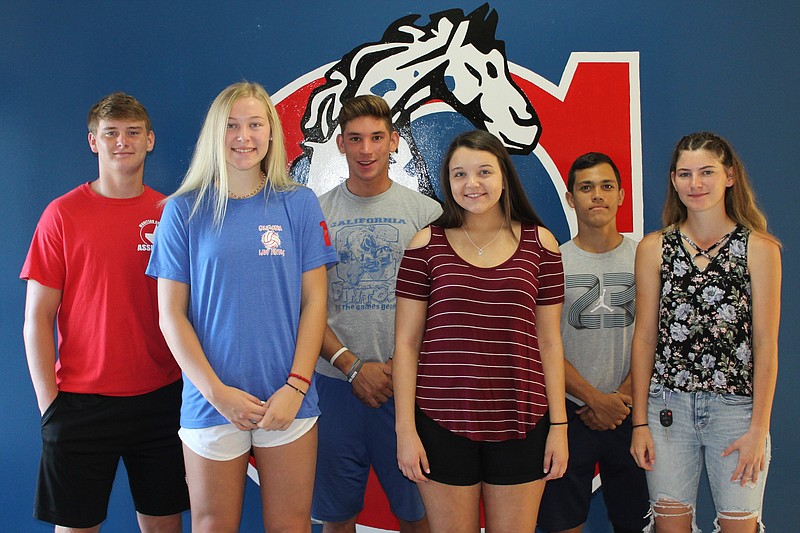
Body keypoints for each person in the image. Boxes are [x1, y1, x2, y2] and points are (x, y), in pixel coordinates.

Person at [146, 81, 338, 533]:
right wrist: (216, 392)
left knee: (291, 524)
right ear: (215, 133)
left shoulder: (299, 204)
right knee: (212, 524)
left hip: (288, 400)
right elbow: (171, 315)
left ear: (272, 133)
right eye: (232, 125)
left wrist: (295, 386)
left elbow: (314, 303)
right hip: (211, 401)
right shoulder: (182, 211)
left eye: (255, 124)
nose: (244, 137)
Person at [20, 92, 189, 532]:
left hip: (161, 397)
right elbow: (37, 318)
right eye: (110, 133)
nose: (122, 142)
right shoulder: (61, 215)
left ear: (150, 140)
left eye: (133, 132)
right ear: (93, 141)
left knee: (164, 525)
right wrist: (49, 408)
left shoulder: (171, 214)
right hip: (79, 402)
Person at [393, 129, 569, 532]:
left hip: (522, 419)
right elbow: (405, 344)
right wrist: (406, 430)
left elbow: (550, 341)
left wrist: (558, 427)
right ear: (447, 181)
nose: (472, 184)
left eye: (484, 172)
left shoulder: (542, 245)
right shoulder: (425, 246)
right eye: (459, 175)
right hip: (440, 421)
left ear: (504, 176)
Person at [630, 132, 781, 532]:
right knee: (669, 526)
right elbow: (645, 337)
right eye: (685, 174)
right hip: (666, 411)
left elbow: (766, 343)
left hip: (737, 413)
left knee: (739, 525)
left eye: (707, 172)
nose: (695, 184)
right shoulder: (653, 248)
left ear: (729, 176)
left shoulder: (759, 248)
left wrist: (759, 428)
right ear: (674, 180)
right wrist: (639, 423)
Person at [312, 95, 441, 533]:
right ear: (340, 145)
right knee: (337, 516)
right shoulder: (315, 213)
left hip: (406, 389)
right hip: (333, 386)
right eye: (355, 139)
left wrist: (399, 368)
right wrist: (349, 365)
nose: (366, 149)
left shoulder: (428, 215)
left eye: (376, 137)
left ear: (394, 142)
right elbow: (302, 305)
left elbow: (442, 311)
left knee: (419, 512)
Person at [537, 153, 648, 533]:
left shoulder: (646, 258)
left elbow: (659, 336)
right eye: (586, 188)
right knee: (561, 524)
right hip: (569, 414)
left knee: (637, 522)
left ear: (620, 196)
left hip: (633, 412)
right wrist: (593, 398)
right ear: (571, 198)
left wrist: (620, 398)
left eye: (606, 187)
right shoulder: (553, 262)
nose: (596, 196)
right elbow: (544, 344)